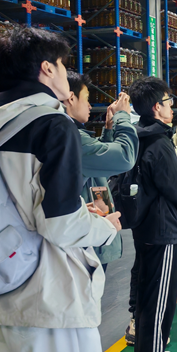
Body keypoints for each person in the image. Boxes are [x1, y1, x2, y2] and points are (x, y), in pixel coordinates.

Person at [0, 27, 121, 352]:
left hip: (0, 281)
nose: (66, 75)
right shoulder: (52, 124)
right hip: (49, 295)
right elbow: (60, 225)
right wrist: (105, 227)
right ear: (47, 69)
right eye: (63, 65)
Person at [128, 77, 177, 352]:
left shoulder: (139, 136)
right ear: (157, 107)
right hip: (162, 230)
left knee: (147, 298)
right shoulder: (159, 144)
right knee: (159, 305)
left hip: (145, 226)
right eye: (169, 103)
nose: (172, 108)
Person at [63, 72, 138, 272]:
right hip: (84, 240)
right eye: (87, 99)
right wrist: (123, 117)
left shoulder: (71, 135)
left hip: (87, 233)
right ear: (71, 98)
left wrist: (109, 128)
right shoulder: (73, 138)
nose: (90, 106)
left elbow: (99, 165)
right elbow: (125, 157)